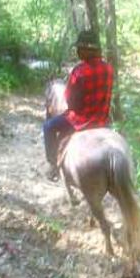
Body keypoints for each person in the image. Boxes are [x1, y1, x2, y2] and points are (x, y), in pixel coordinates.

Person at [43, 29, 114, 180]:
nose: (78, 52)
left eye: (79, 49)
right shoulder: (108, 68)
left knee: (48, 126)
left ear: (86, 51)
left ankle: (53, 165)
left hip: (81, 121)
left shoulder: (79, 71)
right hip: (102, 120)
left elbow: (70, 101)